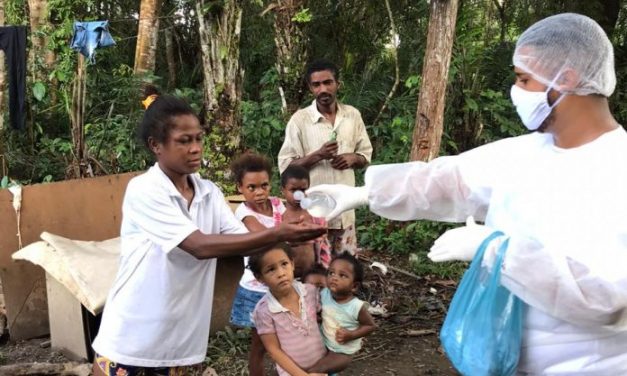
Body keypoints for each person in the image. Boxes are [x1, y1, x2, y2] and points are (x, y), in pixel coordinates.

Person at [308, 13, 627, 374]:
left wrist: (494, 250)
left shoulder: (616, 170)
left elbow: (609, 299)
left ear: (566, 78)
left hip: (588, 365)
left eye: (524, 79)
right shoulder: (524, 153)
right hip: (506, 357)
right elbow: (445, 180)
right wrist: (363, 194)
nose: (516, 91)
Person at [91, 88, 326, 376]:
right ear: (156, 145)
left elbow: (241, 241)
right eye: (184, 141)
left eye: (199, 138)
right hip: (133, 333)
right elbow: (198, 246)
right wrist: (278, 234)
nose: (195, 148)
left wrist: (295, 237)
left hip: (178, 338)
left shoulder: (207, 192)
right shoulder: (145, 190)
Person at [278, 59, 373, 255]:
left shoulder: (352, 116)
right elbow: (286, 167)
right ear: (310, 88)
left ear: (338, 84)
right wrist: (318, 155)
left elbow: (366, 154)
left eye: (328, 82)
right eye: (316, 84)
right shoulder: (300, 120)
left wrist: (353, 158)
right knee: (314, 273)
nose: (323, 89)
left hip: (345, 214)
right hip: (312, 215)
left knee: (345, 271)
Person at [228, 152, 285, 376]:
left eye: (264, 185)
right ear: (240, 188)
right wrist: (286, 235)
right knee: (260, 345)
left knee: (287, 339)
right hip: (256, 289)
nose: (259, 192)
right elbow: (263, 236)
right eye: (251, 187)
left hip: (281, 284)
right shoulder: (244, 212)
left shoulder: (278, 205)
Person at [250, 243, 327, 376]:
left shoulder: (310, 291)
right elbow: (274, 350)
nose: (281, 273)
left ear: (292, 264)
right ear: (259, 278)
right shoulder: (264, 311)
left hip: (322, 366)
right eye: (271, 269)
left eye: (284, 264)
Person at [308, 252, 376, 374]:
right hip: (324, 344)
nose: (334, 277)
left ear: (354, 286)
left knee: (316, 370)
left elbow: (370, 326)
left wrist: (351, 335)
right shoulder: (325, 294)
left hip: (342, 352)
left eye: (342, 275)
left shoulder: (356, 306)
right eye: (331, 273)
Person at [281, 164, 332, 269]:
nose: (299, 195)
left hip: (312, 275)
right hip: (286, 276)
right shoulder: (278, 216)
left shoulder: (316, 216)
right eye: (293, 190)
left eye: (303, 190)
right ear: (283, 190)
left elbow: (323, 245)